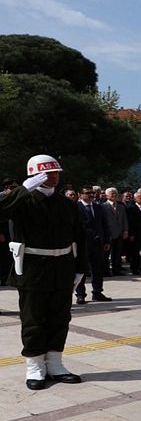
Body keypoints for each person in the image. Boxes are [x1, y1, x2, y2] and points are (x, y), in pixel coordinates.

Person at [0, 155, 87, 390]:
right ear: (34, 176)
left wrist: (81, 269)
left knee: (60, 317)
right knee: (34, 319)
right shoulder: (21, 202)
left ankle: (55, 363)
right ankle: (35, 366)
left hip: (62, 267)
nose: (54, 177)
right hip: (33, 269)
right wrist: (21, 192)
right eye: (48, 173)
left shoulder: (67, 204)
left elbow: (80, 236)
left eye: (56, 172)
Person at [75, 186, 112, 304]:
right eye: (88, 193)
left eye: (92, 193)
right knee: (81, 270)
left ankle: (97, 292)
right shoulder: (75, 208)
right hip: (82, 244)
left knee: (97, 269)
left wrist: (106, 240)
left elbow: (104, 224)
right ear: (80, 194)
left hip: (97, 243)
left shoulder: (98, 207)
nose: (91, 195)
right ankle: (80, 294)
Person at [102, 187, 129, 276]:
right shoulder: (103, 206)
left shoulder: (121, 206)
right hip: (109, 234)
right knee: (106, 254)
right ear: (107, 195)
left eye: (115, 193)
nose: (114, 195)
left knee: (117, 254)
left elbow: (124, 219)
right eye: (112, 193)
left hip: (119, 233)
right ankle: (105, 271)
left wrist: (125, 230)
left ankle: (116, 270)